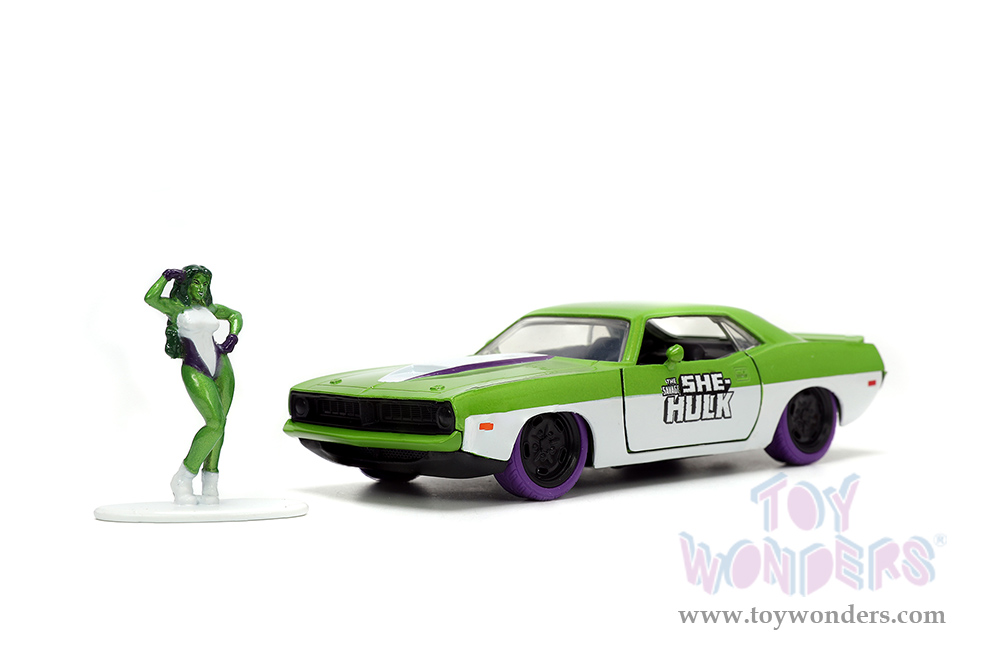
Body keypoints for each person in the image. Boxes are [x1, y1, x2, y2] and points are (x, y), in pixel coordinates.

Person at [144, 266, 242, 504]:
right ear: (186, 285)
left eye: (205, 284)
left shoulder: (210, 308)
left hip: (221, 364)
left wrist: (233, 335)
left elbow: (235, 315)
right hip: (195, 366)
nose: (201, 288)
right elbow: (150, 298)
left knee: (221, 424)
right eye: (196, 282)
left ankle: (210, 484)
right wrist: (166, 277)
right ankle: (183, 477)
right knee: (215, 423)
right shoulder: (176, 308)